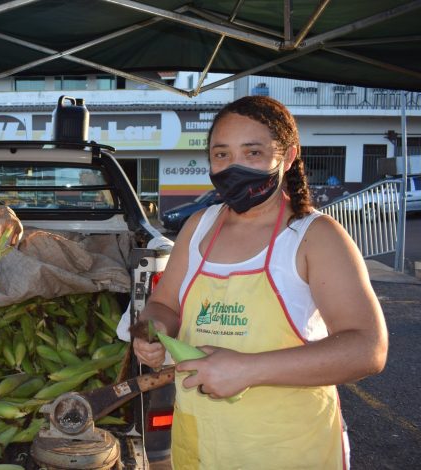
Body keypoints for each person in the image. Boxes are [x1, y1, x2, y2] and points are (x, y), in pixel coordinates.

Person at [132, 96, 388, 469]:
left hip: (285, 448)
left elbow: (368, 348)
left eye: (252, 152)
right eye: (221, 154)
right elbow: (165, 303)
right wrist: (153, 329)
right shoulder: (199, 225)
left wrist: (247, 368)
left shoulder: (314, 236)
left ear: (286, 158)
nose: (233, 166)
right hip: (199, 441)